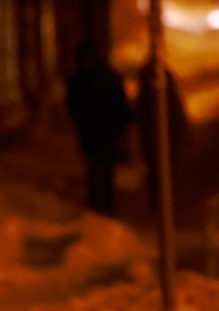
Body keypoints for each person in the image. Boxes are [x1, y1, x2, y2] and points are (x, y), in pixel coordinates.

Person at [64, 40, 132, 216]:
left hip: (106, 132)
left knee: (106, 171)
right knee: (94, 171)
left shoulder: (107, 78)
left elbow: (120, 105)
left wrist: (120, 127)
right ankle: (96, 209)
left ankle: (107, 208)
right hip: (90, 133)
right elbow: (72, 106)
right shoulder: (79, 80)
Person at [135, 57, 191, 213]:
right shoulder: (148, 95)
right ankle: (161, 203)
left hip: (166, 137)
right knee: (158, 171)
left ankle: (164, 202)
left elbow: (176, 113)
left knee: (164, 170)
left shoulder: (162, 93)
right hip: (155, 138)